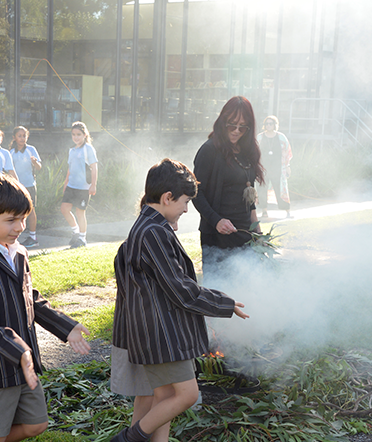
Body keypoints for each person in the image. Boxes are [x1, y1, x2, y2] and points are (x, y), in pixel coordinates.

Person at [111, 158, 249, 442]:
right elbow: (180, 288)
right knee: (186, 394)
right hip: (162, 334)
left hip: (152, 331)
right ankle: (129, 438)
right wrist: (223, 304)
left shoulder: (146, 227)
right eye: (185, 202)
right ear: (167, 197)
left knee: (162, 397)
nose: (187, 209)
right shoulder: (153, 233)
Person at [0, 173, 92, 442]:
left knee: (36, 423)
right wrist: (20, 352)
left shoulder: (19, 252)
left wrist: (67, 326)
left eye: (23, 218)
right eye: (11, 220)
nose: (19, 227)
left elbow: (31, 298)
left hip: (24, 363)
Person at [192, 96, 264, 275]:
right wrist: (216, 221)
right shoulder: (209, 150)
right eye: (232, 125)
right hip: (217, 235)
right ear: (222, 121)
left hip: (244, 233)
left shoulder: (247, 151)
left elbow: (250, 195)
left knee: (249, 285)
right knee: (220, 291)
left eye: (242, 127)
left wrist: (257, 229)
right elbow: (195, 192)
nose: (236, 131)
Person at [61, 121, 98, 248]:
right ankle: (75, 232)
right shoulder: (71, 150)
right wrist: (66, 183)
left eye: (78, 134)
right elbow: (69, 169)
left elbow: (94, 167)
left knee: (79, 212)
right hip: (71, 186)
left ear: (84, 135)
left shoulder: (88, 149)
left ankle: (82, 239)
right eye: (73, 135)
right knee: (64, 209)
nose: (76, 137)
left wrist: (93, 185)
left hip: (83, 187)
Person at [9, 126, 42, 247]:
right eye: (19, 136)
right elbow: (8, 169)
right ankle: (14, 236)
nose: (22, 138)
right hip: (16, 186)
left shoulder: (31, 149)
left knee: (31, 210)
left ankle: (33, 237)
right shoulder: (11, 152)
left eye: (24, 136)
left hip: (29, 185)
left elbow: (39, 167)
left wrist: (35, 162)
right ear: (14, 138)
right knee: (15, 211)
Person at [257, 115, 293, 219]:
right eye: (266, 124)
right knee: (262, 190)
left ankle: (287, 211)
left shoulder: (281, 137)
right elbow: (254, 152)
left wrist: (287, 166)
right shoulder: (260, 137)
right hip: (263, 169)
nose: (268, 125)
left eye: (270, 123)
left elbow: (287, 152)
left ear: (274, 125)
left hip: (278, 169)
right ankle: (264, 211)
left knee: (281, 189)